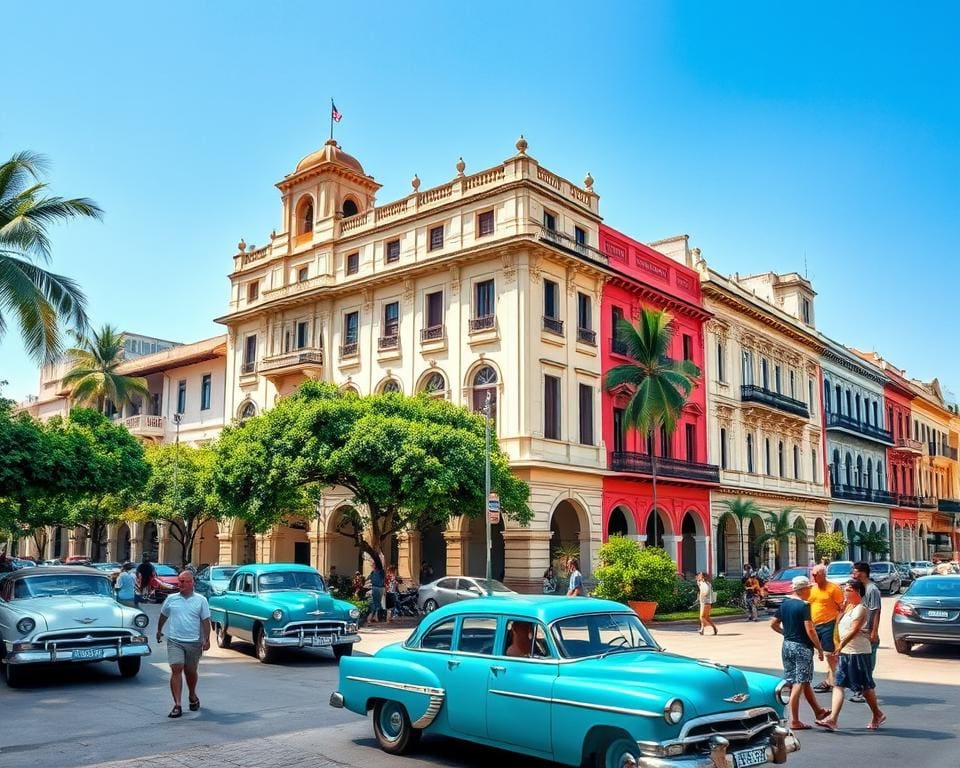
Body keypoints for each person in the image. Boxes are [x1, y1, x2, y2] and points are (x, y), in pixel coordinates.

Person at [815, 579, 886, 731]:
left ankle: (877, 714)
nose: (844, 593)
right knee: (838, 684)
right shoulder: (847, 608)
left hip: (858, 652)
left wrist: (841, 645)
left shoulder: (861, 609)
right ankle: (832, 719)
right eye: (844, 590)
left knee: (865, 687)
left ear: (856, 592)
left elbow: (853, 630)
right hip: (846, 652)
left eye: (847, 590)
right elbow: (840, 626)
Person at [770, 575, 828, 730]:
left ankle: (819, 711)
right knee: (798, 683)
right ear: (802, 589)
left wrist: (786, 633)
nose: (810, 591)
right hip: (801, 647)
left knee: (800, 680)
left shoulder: (786, 604)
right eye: (808, 588)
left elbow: (773, 624)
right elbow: (810, 629)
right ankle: (795, 720)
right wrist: (819, 648)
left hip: (787, 646)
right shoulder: (804, 606)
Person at [156, 570, 211, 719]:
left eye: (185, 581)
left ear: (192, 583)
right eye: (180, 581)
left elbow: (206, 621)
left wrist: (207, 638)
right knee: (176, 667)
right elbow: (163, 615)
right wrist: (159, 630)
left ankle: (192, 695)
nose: (181, 584)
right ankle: (177, 705)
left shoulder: (201, 600)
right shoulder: (171, 599)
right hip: (175, 641)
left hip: (193, 642)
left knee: (190, 672)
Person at [808, 564, 844, 691]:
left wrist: (838, 624)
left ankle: (835, 681)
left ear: (823, 575)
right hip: (814, 625)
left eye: (815, 575)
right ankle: (830, 680)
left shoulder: (833, 588)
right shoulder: (812, 589)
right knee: (822, 654)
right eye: (812, 574)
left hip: (829, 624)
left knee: (830, 654)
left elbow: (841, 608)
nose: (813, 577)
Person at [851, 561, 881, 703]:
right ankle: (861, 690)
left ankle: (865, 692)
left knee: (867, 666)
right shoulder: (862, 588)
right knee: (860, 664)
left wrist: (874, 632)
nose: (853, 574)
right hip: (861, 633)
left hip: (869, 633)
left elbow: (876, 612)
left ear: (862, 572)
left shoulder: (872, 589)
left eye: (855, 571)